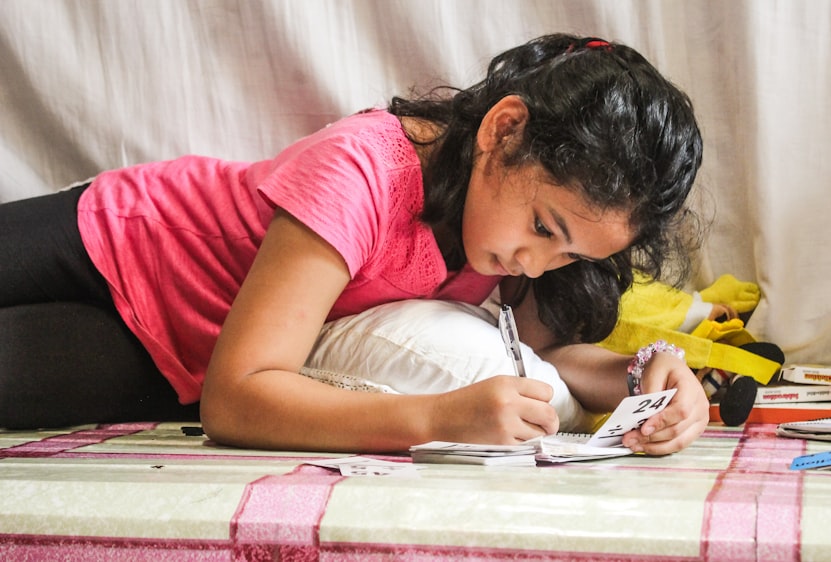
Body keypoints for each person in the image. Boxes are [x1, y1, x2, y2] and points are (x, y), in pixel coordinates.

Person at [0, 33, 708, 455]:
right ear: (503, 131)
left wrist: (651, 374)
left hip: (180, 360)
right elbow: (238, 399)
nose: (537, 262)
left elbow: (543, 357)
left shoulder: (503, 243)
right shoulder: (367, 169)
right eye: (545, 228)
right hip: (124, 239)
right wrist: (435, 418)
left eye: (570, 256)